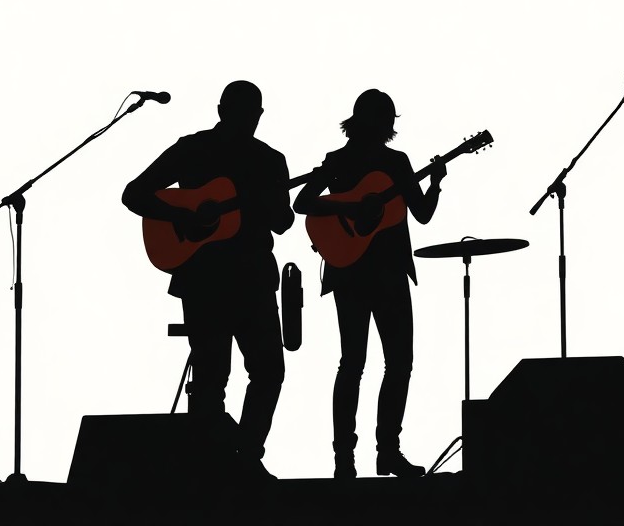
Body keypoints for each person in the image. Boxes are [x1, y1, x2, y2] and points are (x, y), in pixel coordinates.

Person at [122, 80, 294, 481]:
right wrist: (183, 215)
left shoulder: (268, 161)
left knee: (250, 372)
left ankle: (239, 458)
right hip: (211, 278)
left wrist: (267, 203)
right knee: (224, 374)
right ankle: (222, 463)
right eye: (245, 113)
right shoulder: (193, 148)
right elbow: (134, 194)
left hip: (241, 278)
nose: (248, 121)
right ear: (227, 111)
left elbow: (283, 220)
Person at [294, 89, 445, 479]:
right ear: (379, 122)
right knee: (386, 363)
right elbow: (302, 204)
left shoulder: (373, 162)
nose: (390, 128)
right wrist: (350, 205)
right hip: (370, 271)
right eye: (388, 120)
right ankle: (366, 454)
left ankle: (364, 456)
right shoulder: (374, 163)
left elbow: (422, 214)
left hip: (361, 272)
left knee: (363, 364)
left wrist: (435, 180)